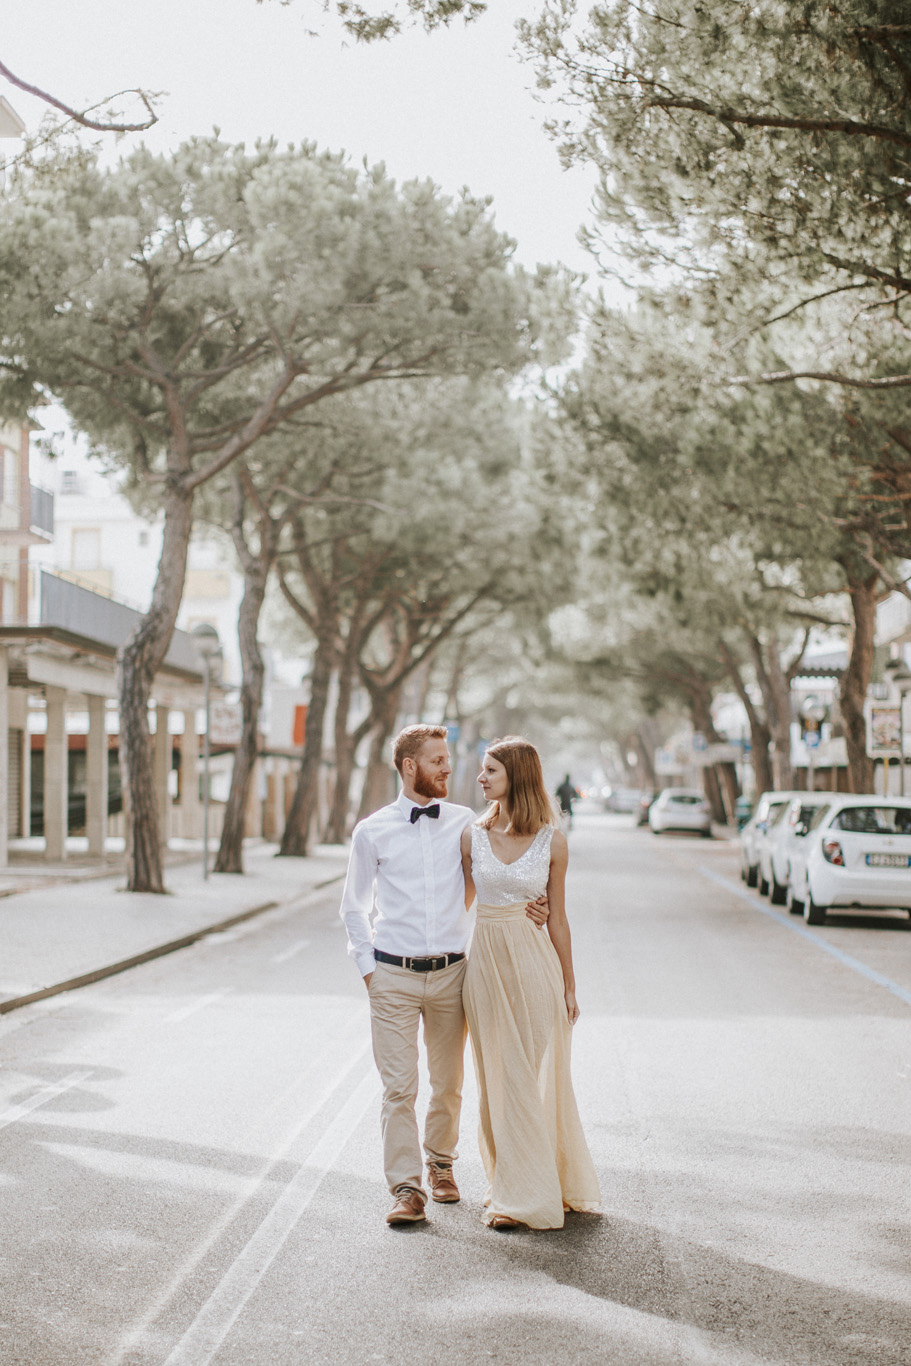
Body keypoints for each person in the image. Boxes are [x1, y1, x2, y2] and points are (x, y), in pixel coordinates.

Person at [339, 724, 548, 1227]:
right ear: (410, 767)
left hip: (454, 974)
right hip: (391, 975)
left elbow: (501, 873)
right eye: (437, 760)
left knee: (449, 1083)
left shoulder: (465, 824)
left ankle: (440, 1164)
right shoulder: (372, 830)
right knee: (399, 1088)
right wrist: (370, 971)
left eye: (447, 759)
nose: (448, 769)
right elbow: (354, 907)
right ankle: (407, 1189)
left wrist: (532, 907)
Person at [461, 736, 601, 1230]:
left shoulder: (551, 841)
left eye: (491, 771)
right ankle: (511, 1182)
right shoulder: (471, 837)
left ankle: (525, 1193)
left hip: (536, 967)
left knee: (526, 1075)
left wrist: (569, 985)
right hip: (484, 969)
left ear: (516, 777)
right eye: (482, 770)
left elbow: (558, 919)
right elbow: (458, 903)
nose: (480, 779)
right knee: (495, 1077)